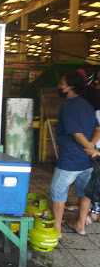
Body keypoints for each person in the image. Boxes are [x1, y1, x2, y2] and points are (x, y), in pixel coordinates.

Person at [51, 72, 100, 236]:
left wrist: (89, 147)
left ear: (70, 87)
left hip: (70, 159)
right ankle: (81, 225)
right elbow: (98, 128)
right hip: (87, 161)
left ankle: (57, 229)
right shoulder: (87, 105)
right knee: (84, 192)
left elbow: (76, 133)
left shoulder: (69, 106)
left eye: (62, 83)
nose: (59, 86)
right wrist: (92, 146)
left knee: (58, 191)